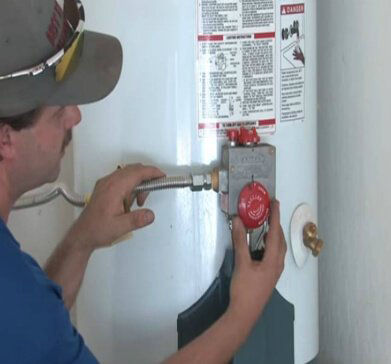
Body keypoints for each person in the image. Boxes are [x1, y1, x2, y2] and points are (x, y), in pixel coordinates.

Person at [0, 1, 287, 363]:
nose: (75, 117)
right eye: (59, 110)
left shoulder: (15, 290)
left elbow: (33, 338)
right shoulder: (9, 289)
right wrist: (245, 311)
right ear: (6, 140)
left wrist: (81, 240)